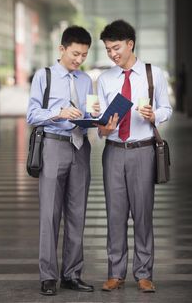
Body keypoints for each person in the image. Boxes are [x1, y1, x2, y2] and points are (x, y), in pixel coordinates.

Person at [96, 20, 172, 293]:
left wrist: (155, 115)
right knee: (115, 215)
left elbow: (166, 108)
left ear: (130, 44)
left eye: (116, 47)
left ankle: (144, 273)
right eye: (107, 49)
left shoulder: (154, 74)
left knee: (143, 214)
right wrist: (103, 128)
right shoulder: (105, 79)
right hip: (114, 152)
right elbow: (101, 124)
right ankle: (115, 273)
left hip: (142, 151)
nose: (112, 54)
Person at [27, 25, 100, 296]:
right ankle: (48, 276)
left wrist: (95, 115)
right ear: (62, 49)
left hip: (81, 148)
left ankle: (71, 274)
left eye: (83, 55)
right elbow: (32, 115)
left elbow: (88, 112)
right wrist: (59, 113)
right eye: (75, 54)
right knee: (50, 214)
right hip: (53, 147)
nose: (79, 60)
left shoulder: (84, 80)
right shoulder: (43, 76)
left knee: (77, 214)